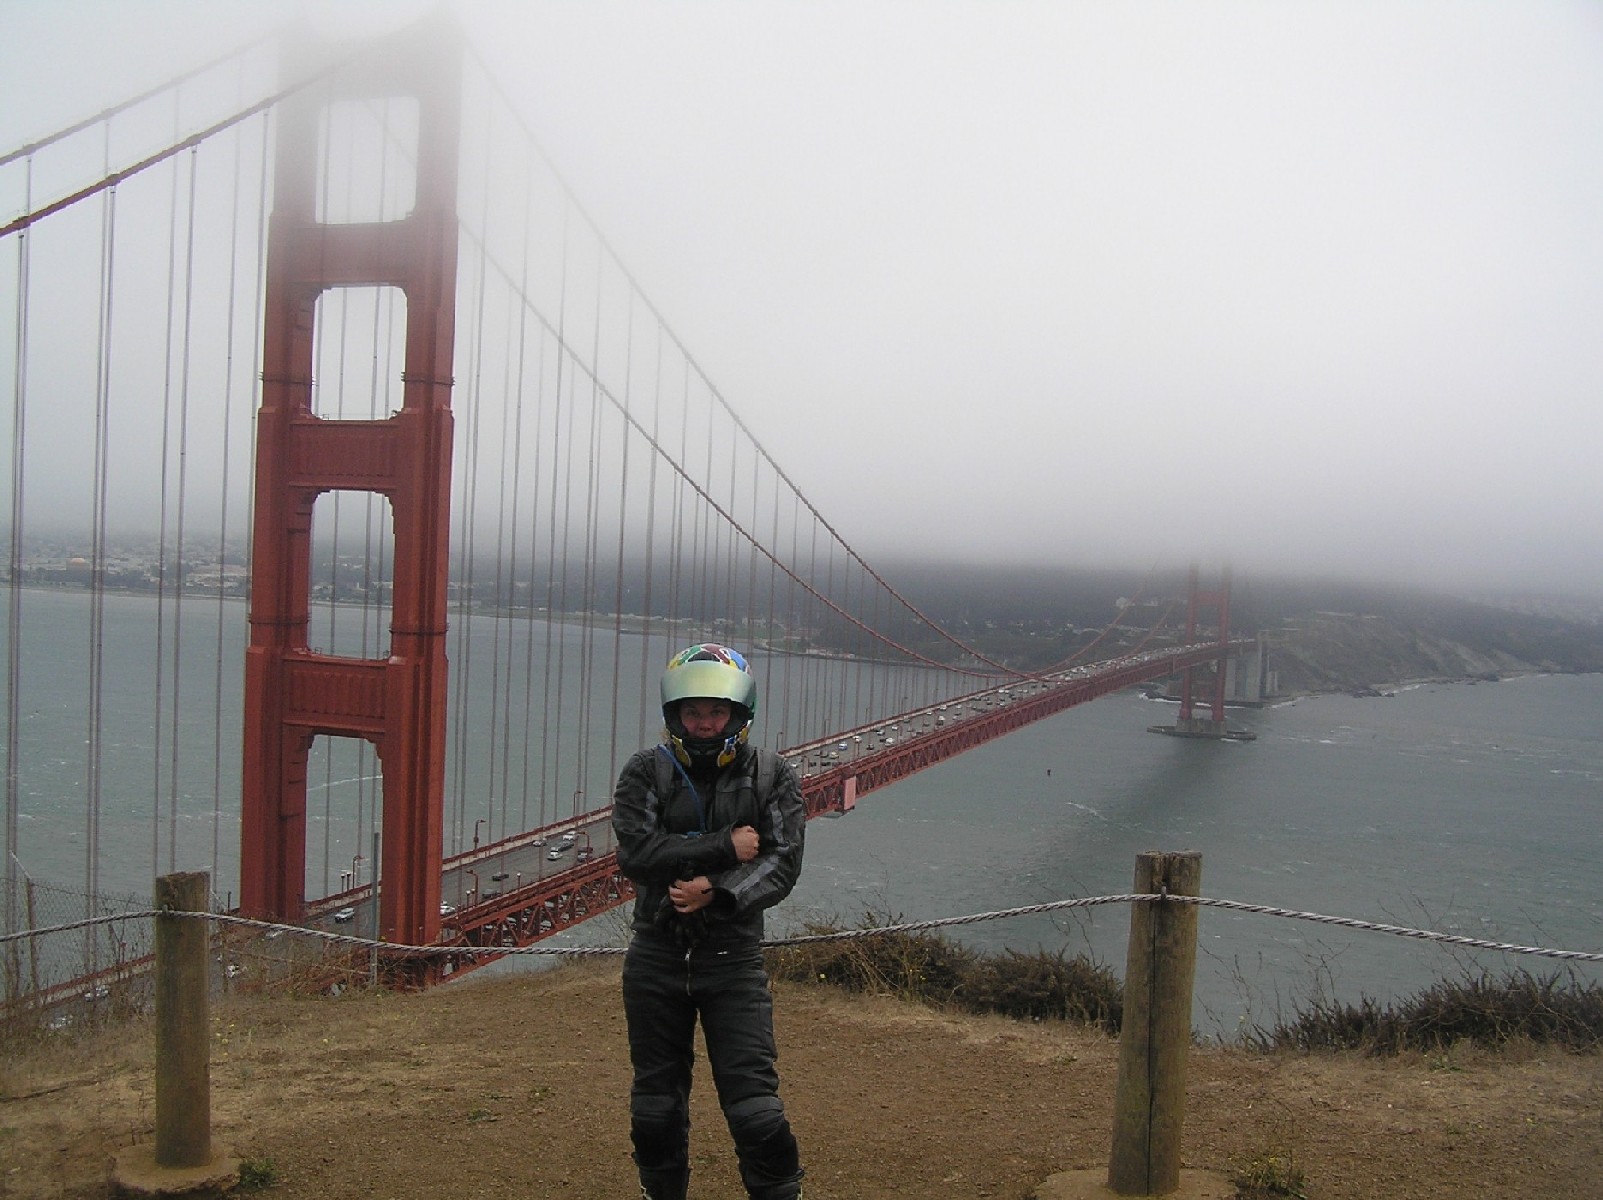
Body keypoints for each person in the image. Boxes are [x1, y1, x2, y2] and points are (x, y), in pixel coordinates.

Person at [612, 643, 807, 1200]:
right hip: (656, 955)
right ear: (674, 714)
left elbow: (781, 863)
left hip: (732, 959)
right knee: (655, 1109)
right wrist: (725, 846)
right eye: (693, 712)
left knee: (755, 1109)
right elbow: (636, 854)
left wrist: (715, 895)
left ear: (739, 714)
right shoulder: (644, 771)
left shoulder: (772, 774)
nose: (704, 723)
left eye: (717, 712)